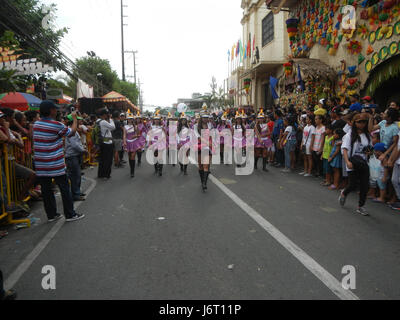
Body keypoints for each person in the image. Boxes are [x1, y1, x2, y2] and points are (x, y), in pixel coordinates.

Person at [33, 101, 85, 222]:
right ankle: (70, 214)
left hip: (41, 165)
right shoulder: (56, 125)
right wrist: (74, 119)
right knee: (65, 188)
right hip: (55, 164)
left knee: (46, 190)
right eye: (55, 109)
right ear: (51, 110)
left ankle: (52, 215)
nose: (57, 111)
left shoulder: (36, 124)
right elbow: (71, 133)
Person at [339, 113, 373, 216]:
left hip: (363, 163)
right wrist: (347, 161)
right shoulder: (349, 135)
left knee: (364, 186)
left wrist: (369, 152)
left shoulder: (367, 135)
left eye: (364, 122)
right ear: (354, 123)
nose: (362, 124)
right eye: (359, 122)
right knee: (353, 185)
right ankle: (344, 193)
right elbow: (344, 149)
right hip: (352, 162)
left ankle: (361, 206)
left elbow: (369, 148)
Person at [65, 114, 86, 202]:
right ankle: (75, 194)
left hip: (75, 155)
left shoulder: (74, 131)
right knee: (75, 176)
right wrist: (83, 150)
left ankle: (77, 192)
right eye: (77, 120)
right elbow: (74, 145)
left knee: (77, 175)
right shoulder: (71, 131)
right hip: (72, 156)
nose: (79, 122)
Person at [97, 108, 115, 180]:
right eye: (107, 114)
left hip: (101, 142)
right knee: (108, 159)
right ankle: (106, 174)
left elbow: (109, 129)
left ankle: (100, 174)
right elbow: (113, 127)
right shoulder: (103, 122)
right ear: (104, 115)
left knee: (102, 159)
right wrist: (111, 119)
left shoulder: (98, 121)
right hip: (107, 143)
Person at [123, 111, 140, 178]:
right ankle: (131, 168)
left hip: (134, 142)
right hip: (127, 142)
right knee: (129, 157)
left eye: (131, 119)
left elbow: (138, 134)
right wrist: (124, 142)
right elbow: (124, 135)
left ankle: (132, 172)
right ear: (127, 120)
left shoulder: (135, 126)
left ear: (133, 119)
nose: (130, 120)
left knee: (132, 156)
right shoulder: (125, 126)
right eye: (129, 119)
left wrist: (135, 136)